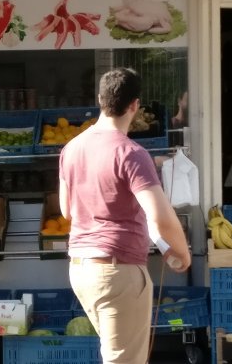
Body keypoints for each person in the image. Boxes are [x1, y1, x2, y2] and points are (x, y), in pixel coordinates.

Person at [59, 67, 191, 364]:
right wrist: (182, 252)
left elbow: (67, 211)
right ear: (135, 105)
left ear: (99, 100)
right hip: (117, 271)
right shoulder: (131, 153)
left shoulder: (71, 148)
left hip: (81, 269)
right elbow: (161, 217)